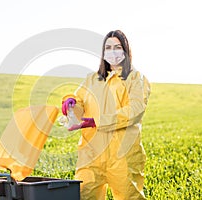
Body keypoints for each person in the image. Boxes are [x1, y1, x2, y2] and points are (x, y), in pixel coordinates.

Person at [61, 30, 151, 200]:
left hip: (123, 156)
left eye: (117, 47)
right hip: (91, 155)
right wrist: (71, 103)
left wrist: (96, 122)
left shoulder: (136, 79)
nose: (113, 51)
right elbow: (80, 101)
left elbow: (134, 111)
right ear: (103, 52)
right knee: (84, 196)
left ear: (126, 50)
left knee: (129, 197)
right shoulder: (92, 79)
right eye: (108, 47)